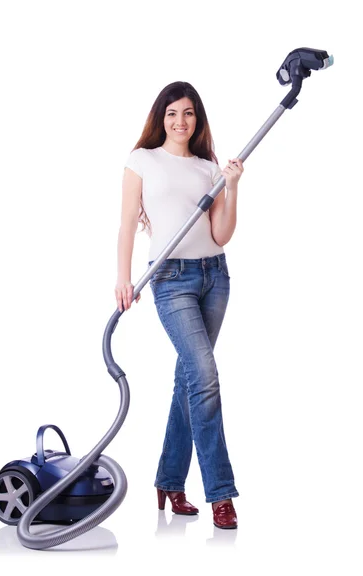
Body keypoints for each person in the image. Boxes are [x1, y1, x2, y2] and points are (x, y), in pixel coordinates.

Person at [115, 81, 243, 529]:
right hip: (169, 281)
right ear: (160, 117)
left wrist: (231, 186)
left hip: (215, 276)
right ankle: (221, 495)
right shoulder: (143, 160)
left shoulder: (208, 167)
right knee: (204, 377)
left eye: (188, 113)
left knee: (188, 381)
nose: (180, 121)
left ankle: (169, 481)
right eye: (172, 113)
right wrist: (123, 278)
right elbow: (128, 224)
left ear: (197, 119)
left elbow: (222, 233)